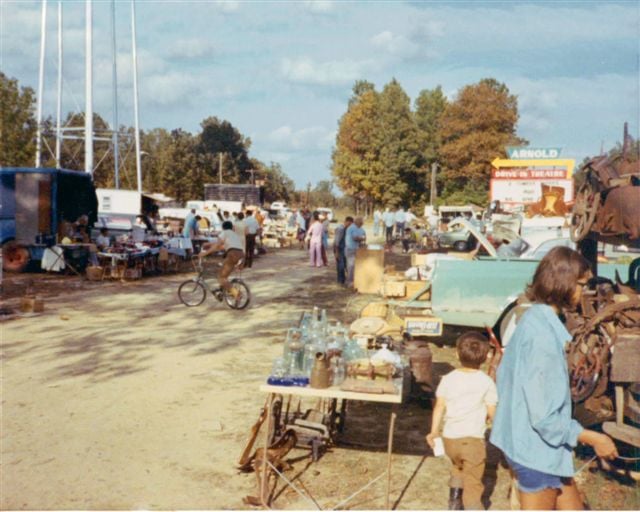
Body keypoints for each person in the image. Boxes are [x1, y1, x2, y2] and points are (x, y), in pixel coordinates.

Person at [490, 246, 618, 510]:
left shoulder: (530, 320)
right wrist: (595, 438)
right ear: (563, 284)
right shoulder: (543, 340)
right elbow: (545, 419)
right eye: (581, 285)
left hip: (527, 443)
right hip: (536, 452)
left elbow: (504, 378)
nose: (583, 292)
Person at [427, 332, 497, 510]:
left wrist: (434, 431)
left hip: (450, 439)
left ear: (457, 354)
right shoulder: (487, 382)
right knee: (473, 484)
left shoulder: (448, 379)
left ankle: (454, 501)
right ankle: (473, 507)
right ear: (485, 357)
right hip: (472, 441)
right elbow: (492, 412)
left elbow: (439, 406)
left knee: (458, 467)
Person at [198, 221, 244, 299]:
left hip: (232, 254)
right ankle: (221, 291)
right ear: (232, 227)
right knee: (224, 274)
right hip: (241, 254)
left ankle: (236, 293)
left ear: (223, 228)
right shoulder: (234, 234)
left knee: (221, 277)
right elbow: (221, 246)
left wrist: (204, 254)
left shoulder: (224, 233)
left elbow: (217, 246)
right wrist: (208, 244)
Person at [345, 216, 366, 288]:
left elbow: (364, 235)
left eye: (362, 224)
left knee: (356, 266)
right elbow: (355, 238)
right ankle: (349, 282)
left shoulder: (359, 228)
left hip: (357, 249)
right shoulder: (352, 228)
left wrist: (363, 238)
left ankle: (355, 280)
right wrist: (361, 238)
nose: (361, 225)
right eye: (361, 223)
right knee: (351, 266)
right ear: (357, 222)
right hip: (351, 249)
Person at [333, 216, 353, 285]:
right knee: (340, 265)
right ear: (347, 222)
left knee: (344, 264)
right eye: (350, 224)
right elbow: (337, 242)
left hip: (343, 249)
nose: (350, 226)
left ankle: (343, 280)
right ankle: (340, 281)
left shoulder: (346, 229)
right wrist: (337, 252)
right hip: (339, 249)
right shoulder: (340, 229)